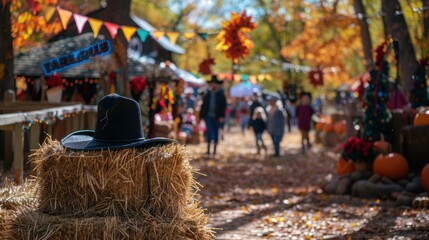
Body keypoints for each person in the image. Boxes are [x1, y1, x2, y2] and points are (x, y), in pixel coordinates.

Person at [200, 75, 227, 155]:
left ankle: (214, 150)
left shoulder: (221, 95)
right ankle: (208, 150)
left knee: (215, 132)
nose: (213, 85)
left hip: (217, 116)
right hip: (208, 116)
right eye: (212, 83)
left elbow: (224, 106)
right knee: (209, 132)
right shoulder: (207, 94)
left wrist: (222, 116)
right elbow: (203, 105)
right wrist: (201, 116)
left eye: (215, 83)